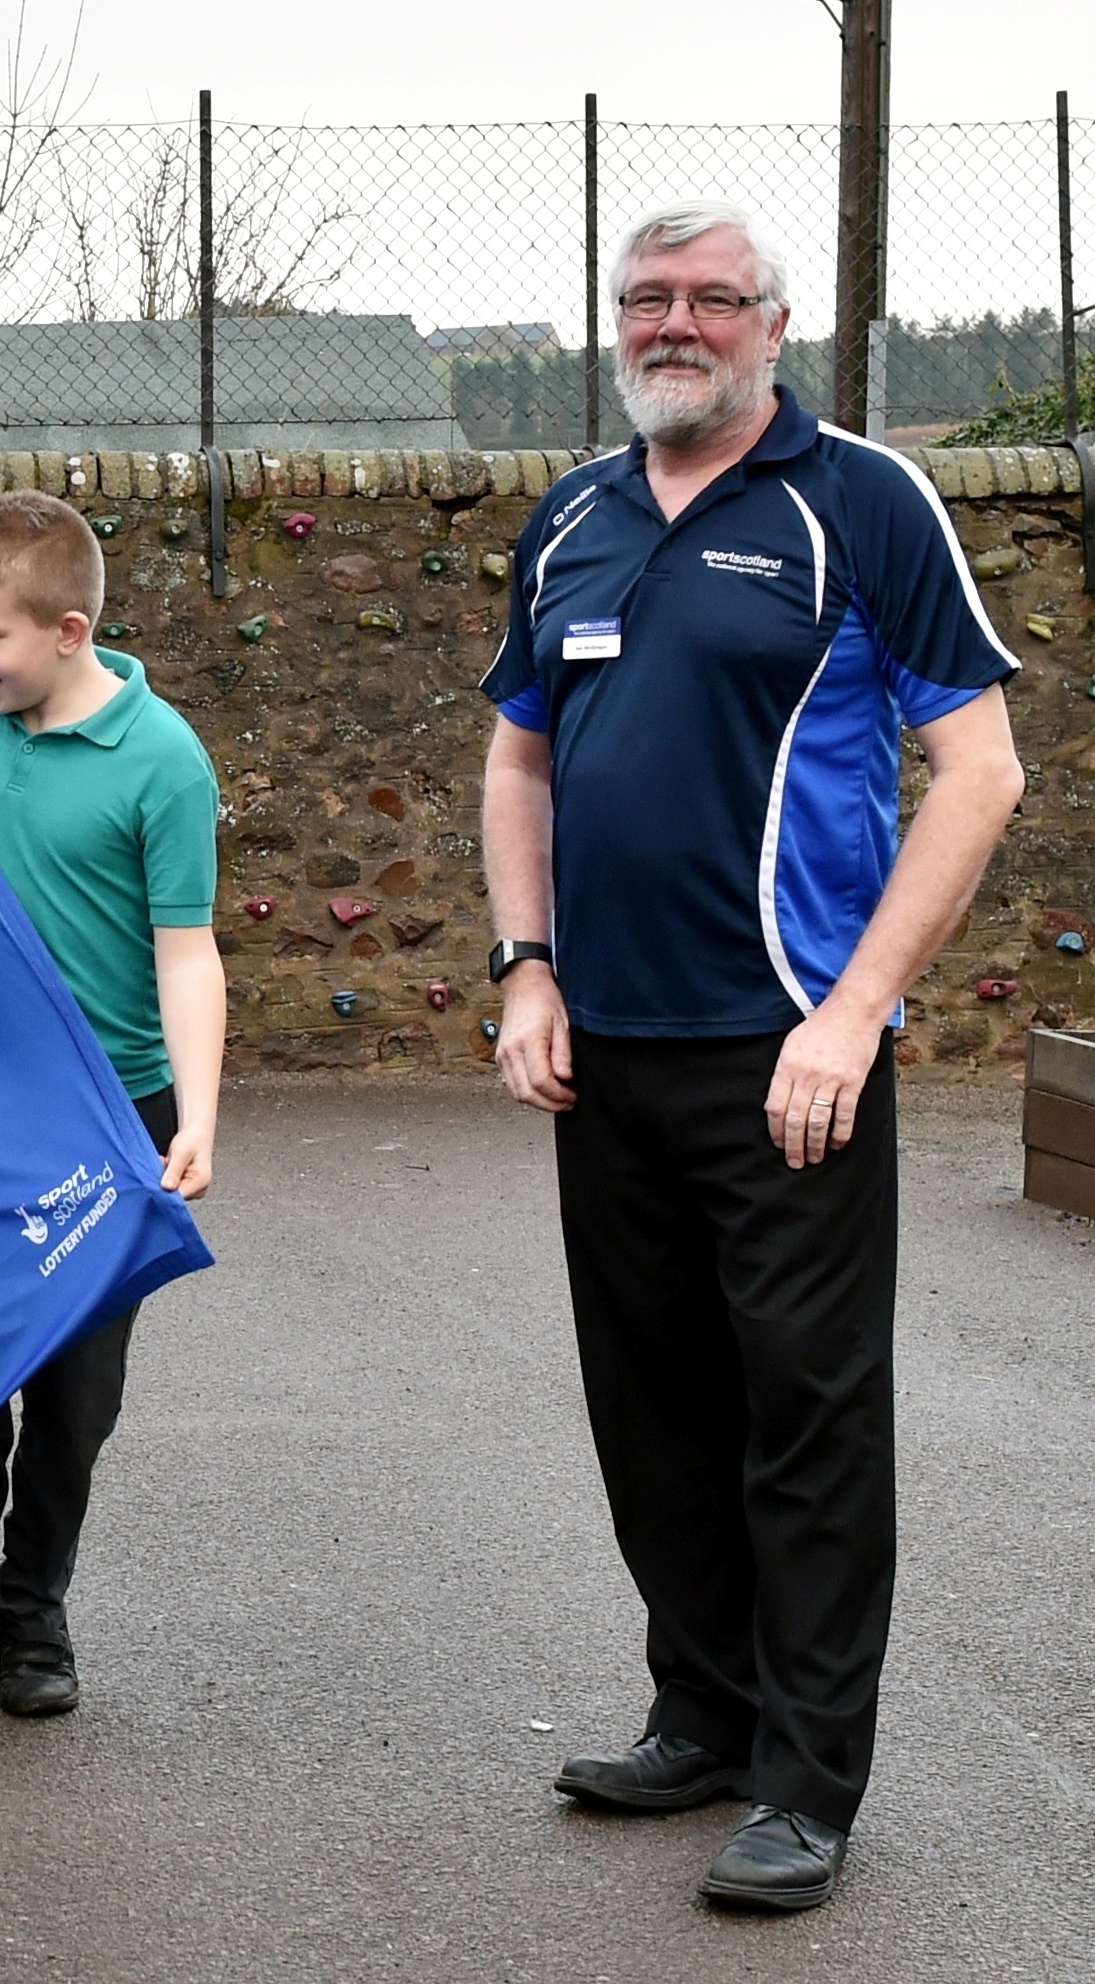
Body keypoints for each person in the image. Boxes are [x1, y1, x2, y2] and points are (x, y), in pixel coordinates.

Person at [480, 202, 1026, 1913]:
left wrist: (850, 1009)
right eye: (644, 296)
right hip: (600, 1051)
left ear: (771, 324)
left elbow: (980, 767)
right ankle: (699, 1714)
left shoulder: (853, 498)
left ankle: (803, 1778)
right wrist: (522, 969)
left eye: (711, 297)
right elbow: (516, 764)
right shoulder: (569, 512)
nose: (672, 322)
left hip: (783, 1049)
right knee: (651, 1409)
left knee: (802, 1417)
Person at [0, 488, 225, 1727]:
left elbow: (184, 950)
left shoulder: (162, 760)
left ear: (68, 631)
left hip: (107, 1114)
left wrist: (194, 1112)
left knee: (74, 1398)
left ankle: (36, 1610)